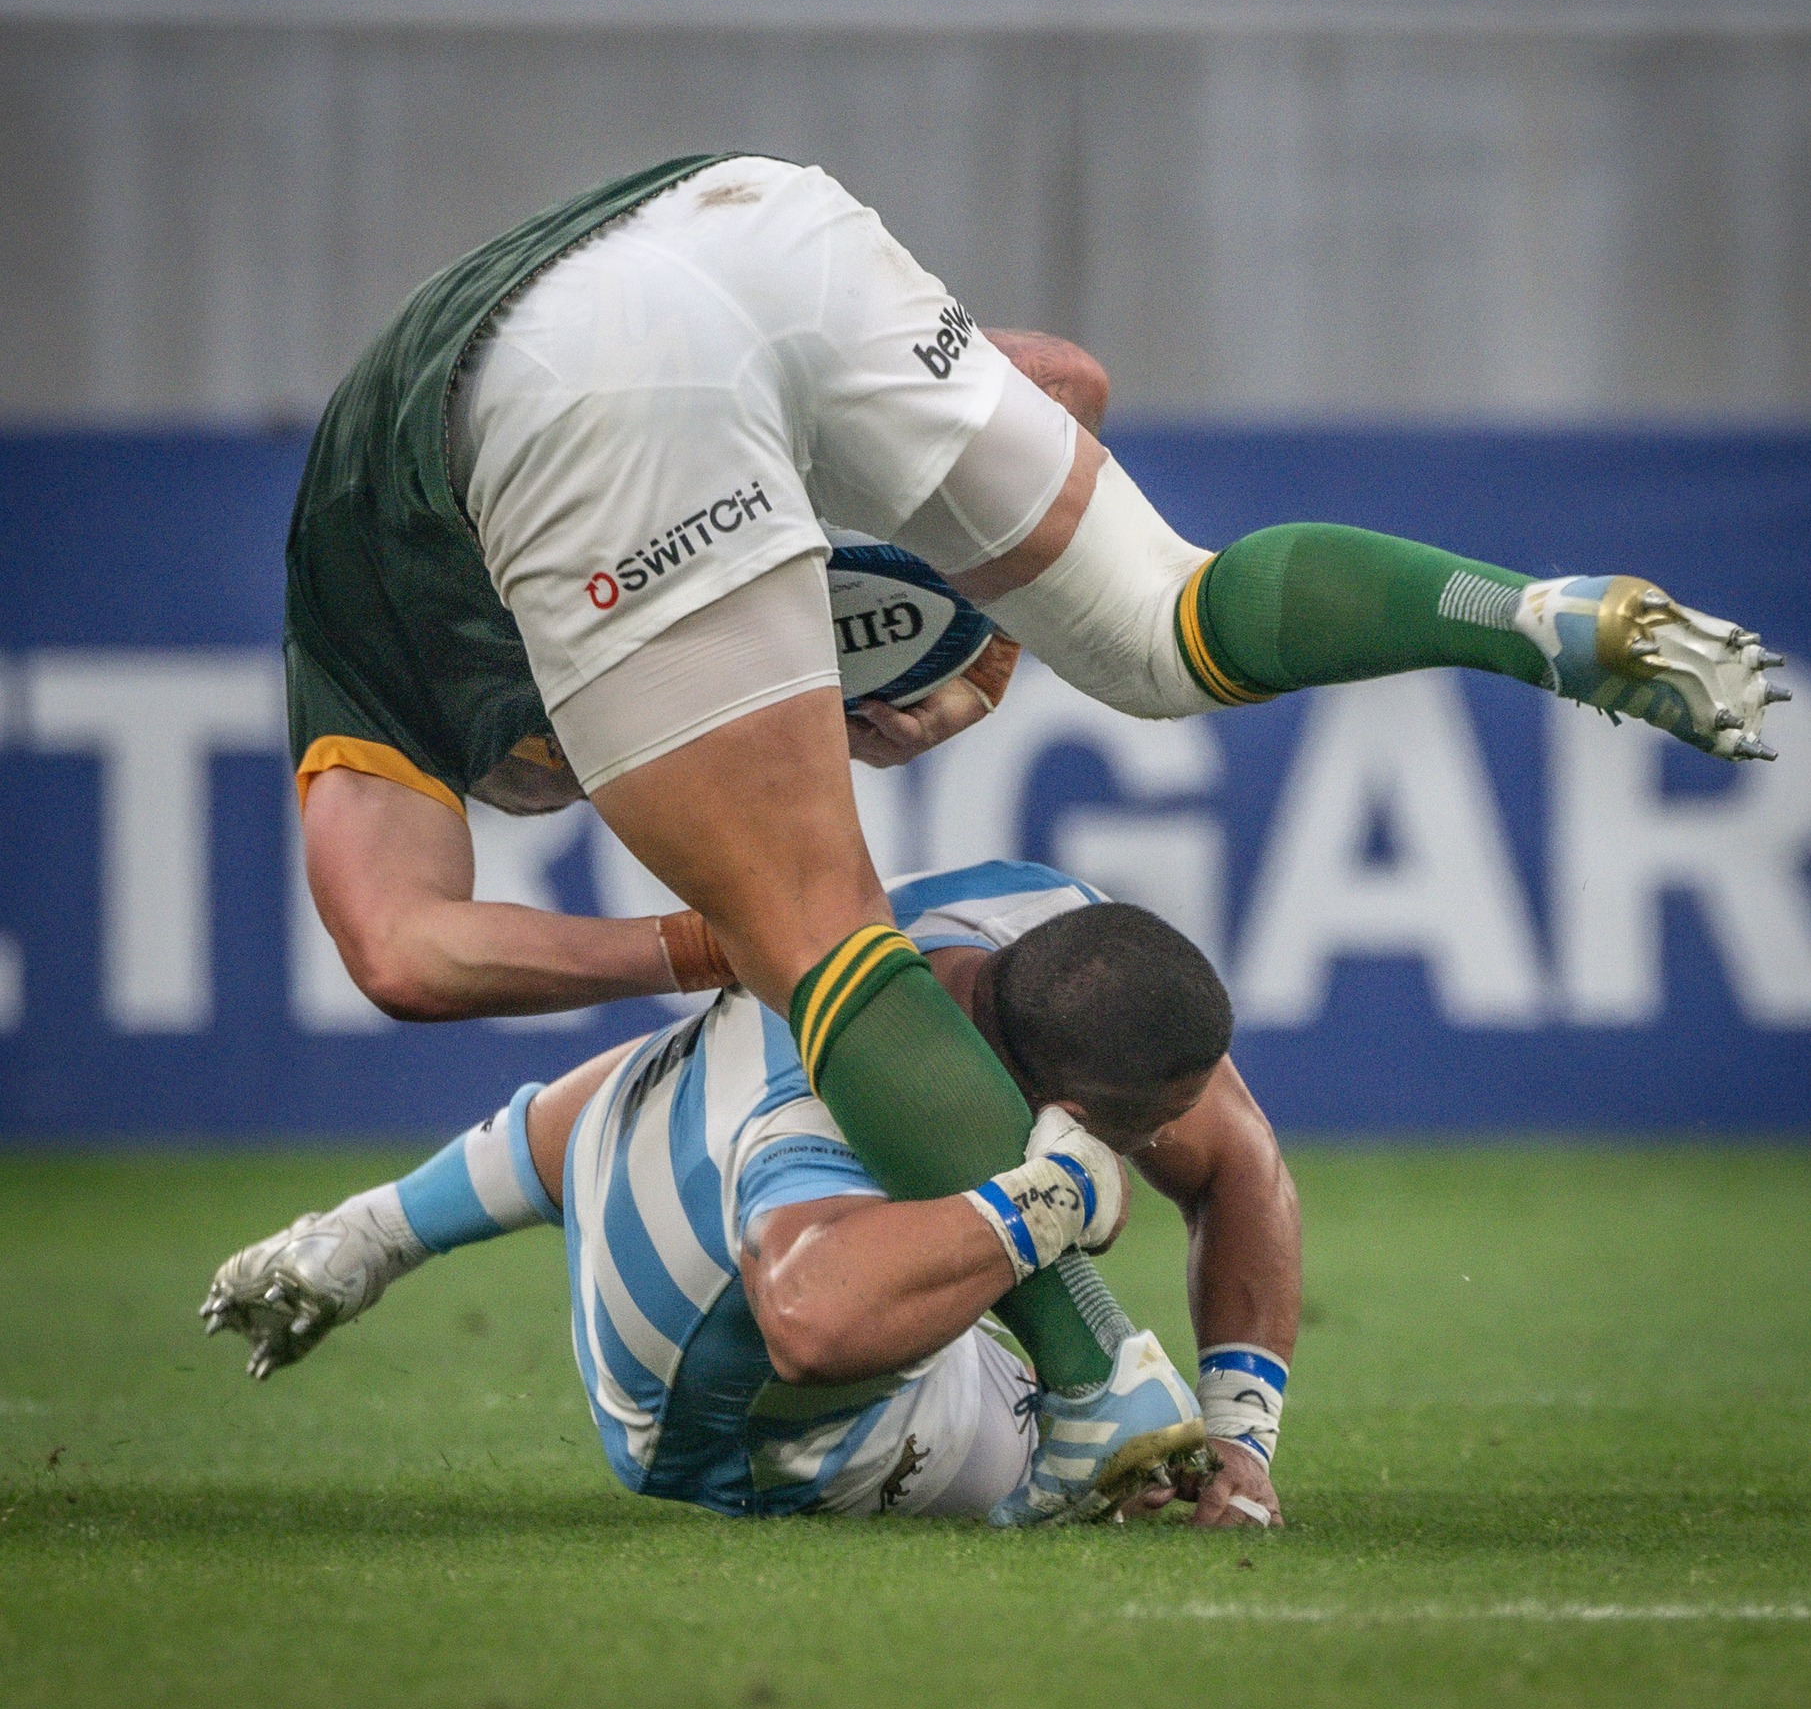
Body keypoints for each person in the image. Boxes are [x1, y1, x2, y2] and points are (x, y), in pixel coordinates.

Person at [287, 150, 1781, 1513]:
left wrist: (716, 938)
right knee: (1158, 621)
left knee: (826, 941)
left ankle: (1091, 1374)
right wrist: (983, 623)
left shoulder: (360, 647)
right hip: (763, 223)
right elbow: (1066, 379)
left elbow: (400, 951)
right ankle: (1529, 614)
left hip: (567, 392)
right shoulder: (522, 506)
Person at [203, 863, 1299, 1527]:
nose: (1164, 1142)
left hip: (637, 1128)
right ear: (1063, 1104)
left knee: (708, 1057)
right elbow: (812, 1324)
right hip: (713, 1403)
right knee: (1130, 1462)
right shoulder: (818, 1120)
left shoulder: (1027, 917)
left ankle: (368, 1231)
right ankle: (1051, 1430)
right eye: (1140, 1130)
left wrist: (1242, 1433)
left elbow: (1239, 1157)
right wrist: (1053, 1194)